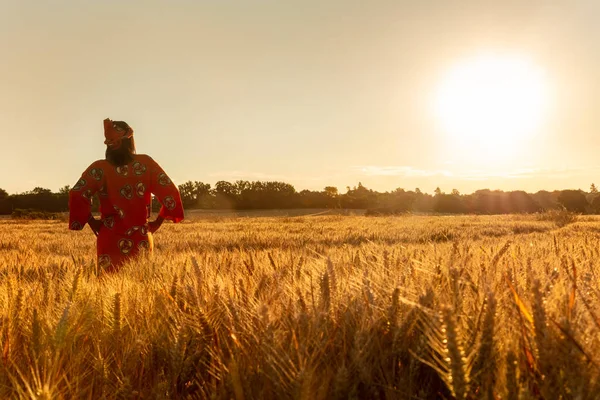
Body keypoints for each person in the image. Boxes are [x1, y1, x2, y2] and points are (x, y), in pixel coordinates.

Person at [69, 118, 184, 271]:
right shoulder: (145, 164)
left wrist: (92, 222)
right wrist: (157, 222)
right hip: (140, 237)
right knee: (141, 286)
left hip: (109, 237)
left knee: (106, 288)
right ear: (130, 140)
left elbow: (77, 194)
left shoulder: (99, 168)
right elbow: (171, 192)